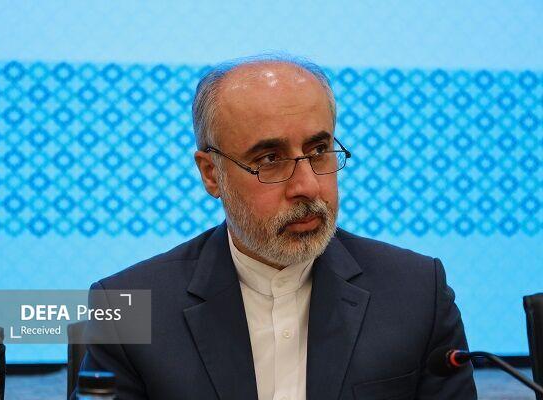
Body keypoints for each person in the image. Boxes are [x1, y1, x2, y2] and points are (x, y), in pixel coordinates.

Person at [79, 55, 477, 399]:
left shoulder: (418, 293)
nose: (308, 186)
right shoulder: (127, 306)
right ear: (211, 174)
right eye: (270, 159)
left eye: (319, 150)